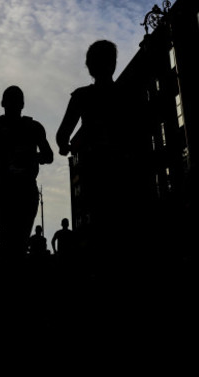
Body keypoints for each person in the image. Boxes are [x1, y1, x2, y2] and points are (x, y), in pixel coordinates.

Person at [55, 40, 150, 267]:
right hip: (127, 171)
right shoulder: (127, 92)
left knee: (101, 228)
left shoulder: (81, 96)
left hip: (96, 171)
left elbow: (62, 134)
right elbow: (142, 129)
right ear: (114, 64)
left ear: (89, 67)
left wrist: (64, 147)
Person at [0, 86, 54, 259]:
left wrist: (31, 157)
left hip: (19, 190)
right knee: (15, 240)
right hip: (8, 190)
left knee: (16, 240)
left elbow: (48, 156)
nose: (12, 105)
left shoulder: (30, 127)